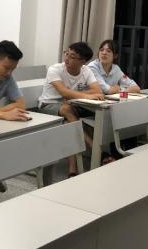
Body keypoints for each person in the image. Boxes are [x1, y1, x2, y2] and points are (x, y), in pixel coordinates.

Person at [37, 41, 104, 177]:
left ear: (83, 61)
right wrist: (87, 95)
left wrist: (77, 94)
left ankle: (72, 170)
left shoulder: (86, 71)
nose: (67, 58)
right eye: (66, 54)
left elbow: (98, 91)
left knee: (69, 124)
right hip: (48, 105)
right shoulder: (55, 69)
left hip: (70, 107)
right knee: (67, 109)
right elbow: (64, 92)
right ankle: (95, 148)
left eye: (72, 56)